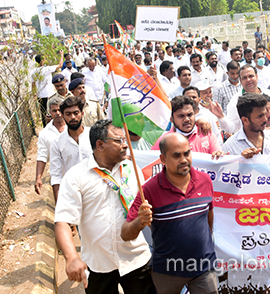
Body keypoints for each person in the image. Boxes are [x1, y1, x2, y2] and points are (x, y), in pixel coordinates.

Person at [55, 119, 155, 294]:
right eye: (118, 141)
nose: (125, 145)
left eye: (125, 140)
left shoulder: (134, 171)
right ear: (100, 145)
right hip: (98, 265)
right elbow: (63, 221)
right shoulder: (75, 177)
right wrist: (71, 258)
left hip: (136, 260)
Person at [122, 132, 218, 294]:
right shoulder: (148, 190)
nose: (183, 160)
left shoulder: (204, 180)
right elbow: (125, 234)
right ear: (163, 159)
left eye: (187, 153)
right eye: (176, 155)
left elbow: (209, 216)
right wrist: (139, 222)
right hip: (167, 271)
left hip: (203, 268)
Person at [209, 64, 270, 134]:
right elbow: (231, 128)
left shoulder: (268, 94)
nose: (248, 80)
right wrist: (221, 117)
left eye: (251, 76)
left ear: (257, 76)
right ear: (240, 81)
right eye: (244, 78)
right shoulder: (236, 100)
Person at [49, 97, 92, 201]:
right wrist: (59, 205)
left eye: (76, 113)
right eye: (68, 114)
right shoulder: (56, 142)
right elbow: (56, 175)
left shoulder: (94, 135)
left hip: (95, 190)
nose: (73, 117)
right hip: (72, 193)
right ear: (63, 116)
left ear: (82, 113)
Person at [151, 95, 221, 155]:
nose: (187, 119)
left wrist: (219, 156)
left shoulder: (207, 135)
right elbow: (150, 165)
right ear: (171, 119)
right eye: (181, 116)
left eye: (190, 115)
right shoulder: (163, 141)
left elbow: (219, 162)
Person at [222, 93, 270, 157]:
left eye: (265, 114)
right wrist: (241, 161)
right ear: (245, 120)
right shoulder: (230, 147)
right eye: (260, 116)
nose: (265, 119)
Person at [34, 97, 66, 195]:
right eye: (54, 111)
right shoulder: (45, 133)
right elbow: (42, 156)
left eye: (60, 110)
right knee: (60, 208)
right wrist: (38, 178)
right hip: (57, 176)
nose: (58, 113)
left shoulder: (74, 128)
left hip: (76, 174)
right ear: (49, 112)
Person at [31, 51, 64, 126]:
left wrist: (34, 94)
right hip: (49, 94)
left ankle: (46, 127)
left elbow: (33, 85)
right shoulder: (47, 69)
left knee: (43, 113)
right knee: (53, 111)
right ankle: (55, 125)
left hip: (40, 95)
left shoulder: (33, 71)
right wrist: (61, 55)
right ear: (42, 61)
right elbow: (60, 65)